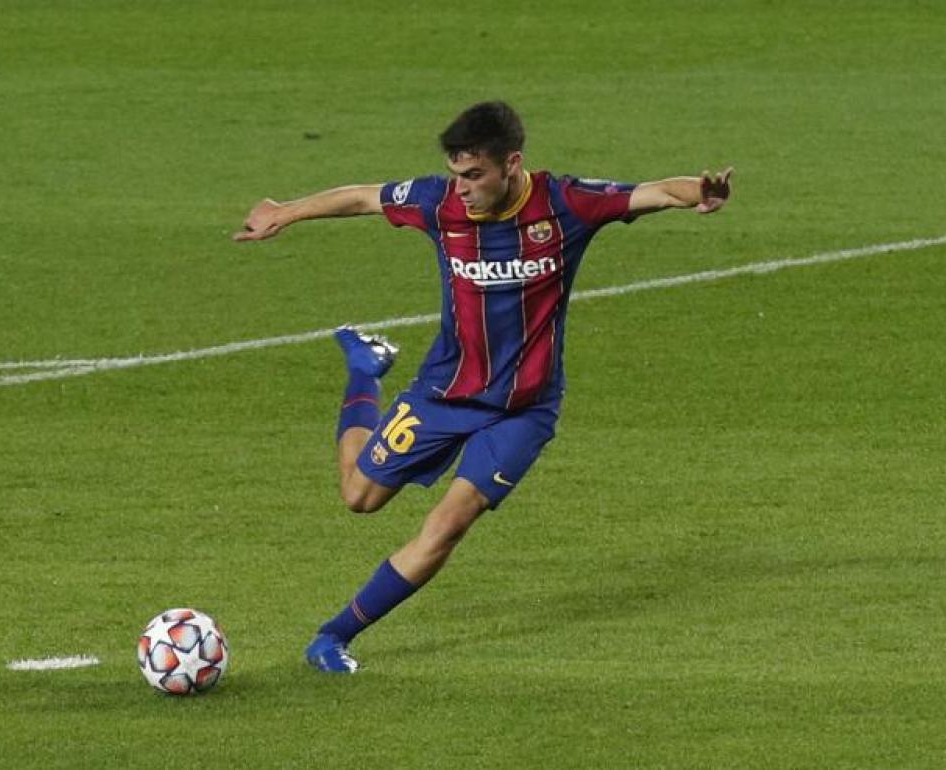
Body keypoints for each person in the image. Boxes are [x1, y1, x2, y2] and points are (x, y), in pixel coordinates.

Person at [234, 100, 732, 673]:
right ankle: (365, 372)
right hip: (444, 393)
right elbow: (364, 197)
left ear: (512, 165)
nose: (462, 189)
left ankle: (332, 637)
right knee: (359, 497)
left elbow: (655, 192)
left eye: (474, 176)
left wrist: (700, 190)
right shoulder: (439, 204)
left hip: (524, 409)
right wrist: (286, 212)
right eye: (456, 175)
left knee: (448, 524)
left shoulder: (564, 203)